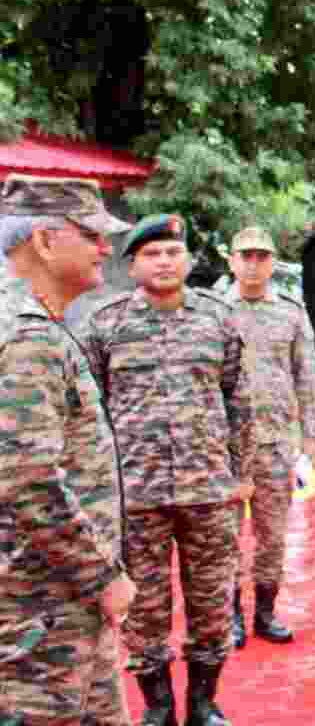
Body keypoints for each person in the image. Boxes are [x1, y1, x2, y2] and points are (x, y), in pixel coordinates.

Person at [82, 214, 255, 726]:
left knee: (211, 603)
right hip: (136, 495)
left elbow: (238, 401)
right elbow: (90, 414)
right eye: (152, 254)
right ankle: (159, 706)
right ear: (132, 264)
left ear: (187, 260)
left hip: (207, 490)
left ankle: (204, 703)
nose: (164, 262)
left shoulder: (218, 319)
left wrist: (242, 473)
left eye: (172, 253)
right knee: (145, 610)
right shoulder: (105, 324)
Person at [0, 175, 136, 726]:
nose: (106, 248)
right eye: (92, 234)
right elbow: (27, 477)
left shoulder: (37, 326)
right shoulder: (25, 335)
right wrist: (103, 575)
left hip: (65, 604)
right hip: (40, 613)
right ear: (45, 241)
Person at [222, 225, 315, 648]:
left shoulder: (290, 311)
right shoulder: (212, 311)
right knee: (224, 538)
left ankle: (265, 611)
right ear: (231, 260)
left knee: (273, 536)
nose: (252, 263)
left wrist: (312, 432)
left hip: (275, 444)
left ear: (272, 263)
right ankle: (229, 616)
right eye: (245, 255)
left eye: (261, 256)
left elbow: (307, 371)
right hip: (223, 448)